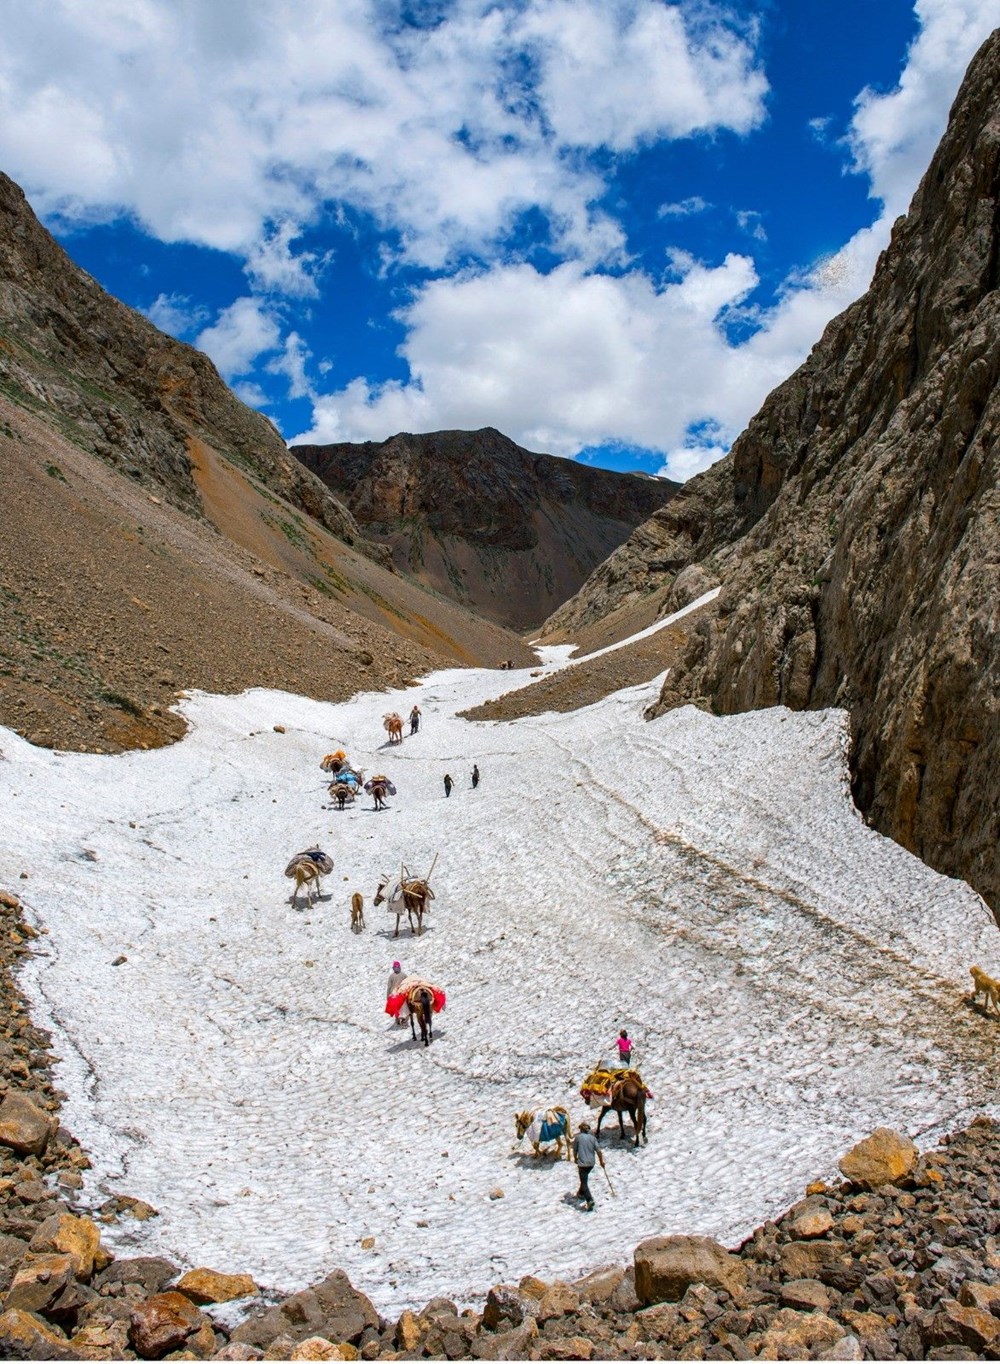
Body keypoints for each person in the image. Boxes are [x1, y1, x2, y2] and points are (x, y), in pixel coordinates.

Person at [572, 1121, 604, 1211]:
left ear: (581, 1129)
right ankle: (580, 1193)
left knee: (584, 1182)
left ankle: (589, 1200)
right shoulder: (593, 1138)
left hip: (582, 1163)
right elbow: (598, 1151)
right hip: (591, 1164)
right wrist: (601, 1161)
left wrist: (575, 1158)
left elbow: (575, 1150)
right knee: (584, 1179)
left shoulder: (577, 1138)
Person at [387, 961, 406, 1025]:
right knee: (398, 1007)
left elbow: (407, 983)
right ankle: (398, 1019)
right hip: (395, 994)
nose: (397, 969)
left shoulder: (403, 975)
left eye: (397, 967)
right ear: (393, 968)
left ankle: (402, 1020)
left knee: (401, 1007)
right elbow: (389, 987)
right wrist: (388, 996)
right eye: (396, 967)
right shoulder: (392, 976)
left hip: (400, 993)